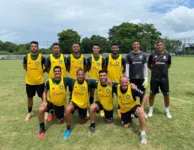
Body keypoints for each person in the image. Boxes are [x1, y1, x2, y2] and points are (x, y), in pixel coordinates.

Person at [63, 68, 97, 139]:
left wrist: (108, 80)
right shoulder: (72, 81)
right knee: (67, 110)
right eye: (79, 74)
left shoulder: (88, 82)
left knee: (82, 122)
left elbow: (99, 82)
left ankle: (85, 116)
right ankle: (68, 129)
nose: (80, 76)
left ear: (84, 75)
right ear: (76, 75)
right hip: (74, 102)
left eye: (82, 74)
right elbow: (60, 78)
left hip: (83, 105)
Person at [114, 76, 148, 144]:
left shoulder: (132, 88)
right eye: (122, 82)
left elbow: (146, 95)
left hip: (133, 107)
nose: (124, 84)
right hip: (124, 110)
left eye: (126, 82)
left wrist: (142, 107)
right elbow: (109, 82)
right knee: (125, 126)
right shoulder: (116, 87)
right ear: (119, 82)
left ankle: (143, 134)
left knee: (141, 112)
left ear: (128, 82)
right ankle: (131, 116)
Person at [37, 66, 68, 139]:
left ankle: (54, 111)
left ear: (61, 72)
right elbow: (44, 92)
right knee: (41, 109)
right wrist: (44, 101)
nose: (57, 72)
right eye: (56, 71)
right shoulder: (49, 81)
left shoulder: (65, 80)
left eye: (59, 71)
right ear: (53, 73)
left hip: (60, 104)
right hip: (51, 102)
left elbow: (75, 81)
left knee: (60, 123)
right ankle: (42, 128)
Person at [147, 40, 172, 118]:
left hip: (164, 79)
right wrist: (154, 70)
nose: (159, 46)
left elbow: (169, 65)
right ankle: (151, 109)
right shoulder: (152, 55)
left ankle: (167, 110)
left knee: (166, 95)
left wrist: (163, 71)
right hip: (154, 78)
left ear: (163, 46)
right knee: (152, 94)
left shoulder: (168, 55)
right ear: (156, 46)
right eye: (158, 45)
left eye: (161, 45)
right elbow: (149, 65)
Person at [23, 41, 46, 122]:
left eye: (35, 46)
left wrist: (41, 72)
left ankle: (45, 111)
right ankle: (29, 113)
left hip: (40, 82)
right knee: (30, 97)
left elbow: (47, 67)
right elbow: (25, 66)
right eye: (32, 46)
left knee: (43, 97)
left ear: (38, 47)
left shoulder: (42, 57)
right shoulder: (26, 57)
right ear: (30, 47)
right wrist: (30, 72)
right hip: (29, 82)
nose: (33, 47)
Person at [88, 70, 114, 136]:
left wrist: (131, 85)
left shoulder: (111, 84)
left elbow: (122, 84)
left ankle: (105, 113)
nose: (102, 77)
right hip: (99, 103)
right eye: (101, 75)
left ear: (106, 76)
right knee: (91, 108)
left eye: (104, 75)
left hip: (108, 106)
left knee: (109, 122)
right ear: (99, 76)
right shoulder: (96, 83)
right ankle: (92, 126)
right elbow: (87, 79)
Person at [45, 42, 66, 121]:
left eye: (57, 48)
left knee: (62, 96)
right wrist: (51, 75)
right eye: (54, 48)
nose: (56, 49)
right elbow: (47, 68)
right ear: (52, 49)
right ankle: (52, 112)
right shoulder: (49, 58)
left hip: (62, 81)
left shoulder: (63, 57)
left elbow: (66, 67)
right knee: (53, 97)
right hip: (53, 81)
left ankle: (62, 110)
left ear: (59, 49)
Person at [105, 43, 126, 118]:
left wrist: (120, 75)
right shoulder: (107, 58)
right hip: (109, 82)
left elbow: (125, 69)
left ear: (118, 49)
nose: (114, 49)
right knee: (109, 97)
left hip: (118, 82)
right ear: (111, 49)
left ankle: (120, 110)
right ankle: (108, 109)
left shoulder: (122, 58)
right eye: (113, 48)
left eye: (116, 48)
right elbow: (104, 69)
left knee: (120, 97)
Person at [87, 43, 106, 116]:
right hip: (91, 79)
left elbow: (104, 70)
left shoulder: (102, 59)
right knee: (91, 93)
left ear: (99, 49)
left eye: (97, 48)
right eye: (94, 48)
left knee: (100, 95)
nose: (96, 49)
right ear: (92, 49)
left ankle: (101, 109)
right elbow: (87, 68)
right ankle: (91, 107)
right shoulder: (89, 58)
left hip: (99, 80)